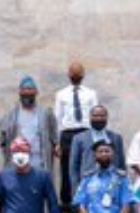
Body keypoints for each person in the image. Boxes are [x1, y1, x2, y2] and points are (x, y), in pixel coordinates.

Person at [55, 61, 99, 208]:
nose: (75, 75)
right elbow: (57, 118)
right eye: (73, 72)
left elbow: (96, 116)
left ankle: (88, 199)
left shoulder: (91, 94)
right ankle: (68, 202)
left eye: (78, 72)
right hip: (67, 134)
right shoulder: (61, 94)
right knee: (67, 168)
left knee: (88, 166)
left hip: (86, 132)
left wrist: (96, 137)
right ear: (68, 75)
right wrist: (57, 143)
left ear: (83, 74)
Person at [0, 76, 58, 174]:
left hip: (39, 162)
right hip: (17, 163)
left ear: (36, 92)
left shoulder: (46, 114)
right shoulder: (11, 115)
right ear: (20, 93)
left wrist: (56, 146)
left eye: (30, 89)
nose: (27, 93)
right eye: (24, 90)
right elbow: (3, 139)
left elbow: (54, 136)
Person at [0, 137, 60, 213]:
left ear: (29, 154)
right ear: (12, 155)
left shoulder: (43, 176)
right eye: (16, 152)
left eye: (23, 151)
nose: (20, 155)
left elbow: (53, 205)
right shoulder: (3, 176)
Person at [70, 105, 126, 197]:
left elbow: (121, 165)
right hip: (88, 188)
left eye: (102, 116)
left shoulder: (116, 138)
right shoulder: (79, 138)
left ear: (107, 117)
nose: (99, 118)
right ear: (90, 117)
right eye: (95, 116)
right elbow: (73, 168)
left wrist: (122, 187)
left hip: (112, 188)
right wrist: (77, 191)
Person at [73, 140, 133, 213]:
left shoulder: (122, 177)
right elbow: (81, 204)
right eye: (100, 151)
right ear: (95, 155)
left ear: (112, 154)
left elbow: (126, 204)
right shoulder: (88, 178)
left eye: (107, 151)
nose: (104, 154)